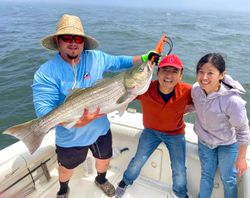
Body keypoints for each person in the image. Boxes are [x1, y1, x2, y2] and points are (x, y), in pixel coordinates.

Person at [32, 14, 157, 198]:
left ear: (83, 42)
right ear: (58, 41)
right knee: (67, 167)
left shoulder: (96, 57)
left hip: (100, 130)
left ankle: (101, 179)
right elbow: (43, 110)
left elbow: (119, 62)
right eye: (67, 38)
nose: (73, 43)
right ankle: (63, 188)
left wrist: (145, 58)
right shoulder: (45, 73)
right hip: (70, 136)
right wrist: (76, 123)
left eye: (78, 39)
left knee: (104, 159)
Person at [115, 54, 193, 198]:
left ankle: (180, 193)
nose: (169, 75)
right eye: (165, 70)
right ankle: (125, 182)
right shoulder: (145, 88)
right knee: (137, 161)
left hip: (175, 134)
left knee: (179, 169)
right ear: (157, 73)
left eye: (174, 71)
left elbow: (207, 101)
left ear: (181, 75)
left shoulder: (188, 91)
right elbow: (124, 91)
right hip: (150, 132)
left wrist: (190, 108)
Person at [191, 53, 250, 198]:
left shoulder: (232, 101)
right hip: (205, 142)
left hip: (227, 144)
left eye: (210, 73)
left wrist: (241, 158)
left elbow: (243, 130)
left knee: (228, 179)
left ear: (222, 75)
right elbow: (197, 106)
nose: (204, 77)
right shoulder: (195, 89)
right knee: (206, 175)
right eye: (201, 72)